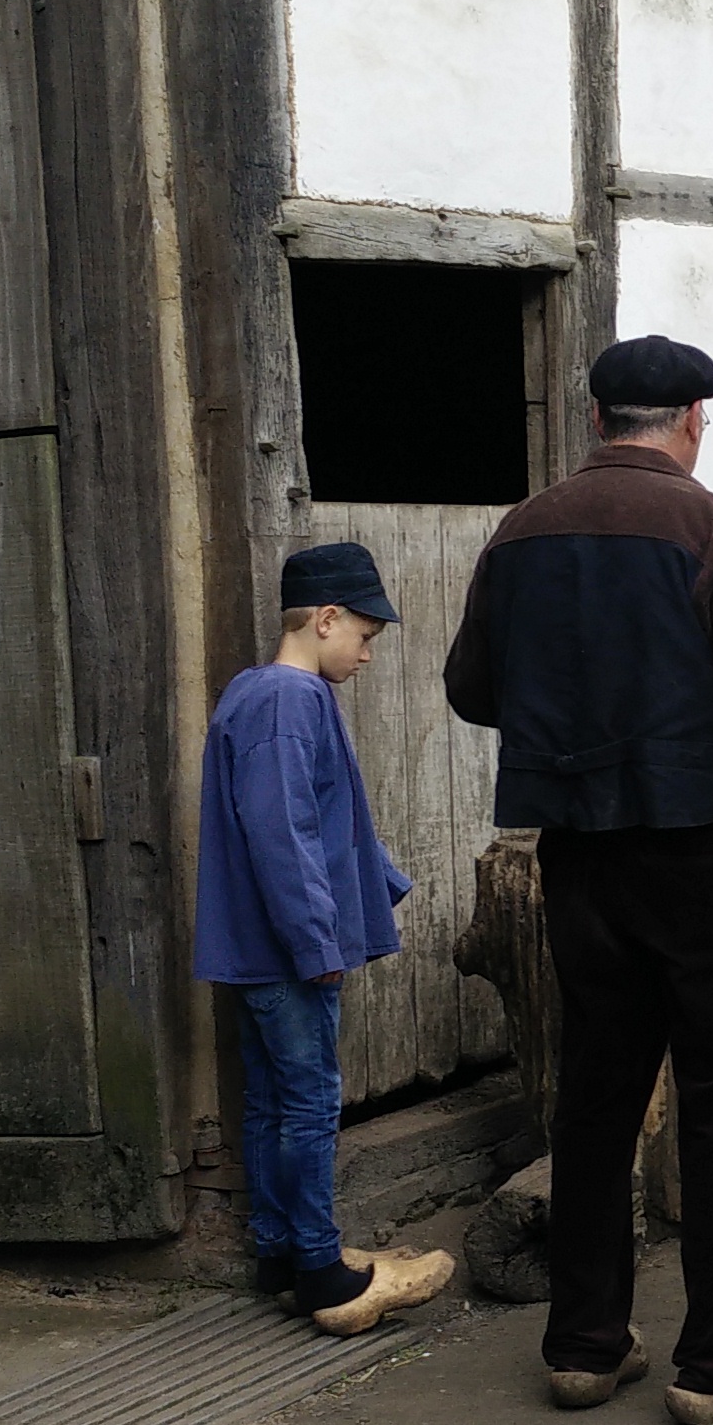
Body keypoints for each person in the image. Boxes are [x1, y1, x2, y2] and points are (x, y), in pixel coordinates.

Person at [442, 334, 713, 1425]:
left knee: (595, 1099)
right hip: (706, 858)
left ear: (595, 418)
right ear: (691, 422)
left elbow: (472, 688)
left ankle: (584, 1347)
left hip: (581, 859)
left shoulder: (522, 529)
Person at [194, 541, 456, 1334]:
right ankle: (321, 1270)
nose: (369, 655)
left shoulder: (253, 693)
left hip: (254, 949)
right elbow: (284, 833)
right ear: (328, 618)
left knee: (274, 1101)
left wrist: (376, 890)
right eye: (366, 637)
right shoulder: (289, 700)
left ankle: (280, 1255)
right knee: (308, 1103)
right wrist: (319, 943)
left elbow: (321, 823)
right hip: (285, 952)